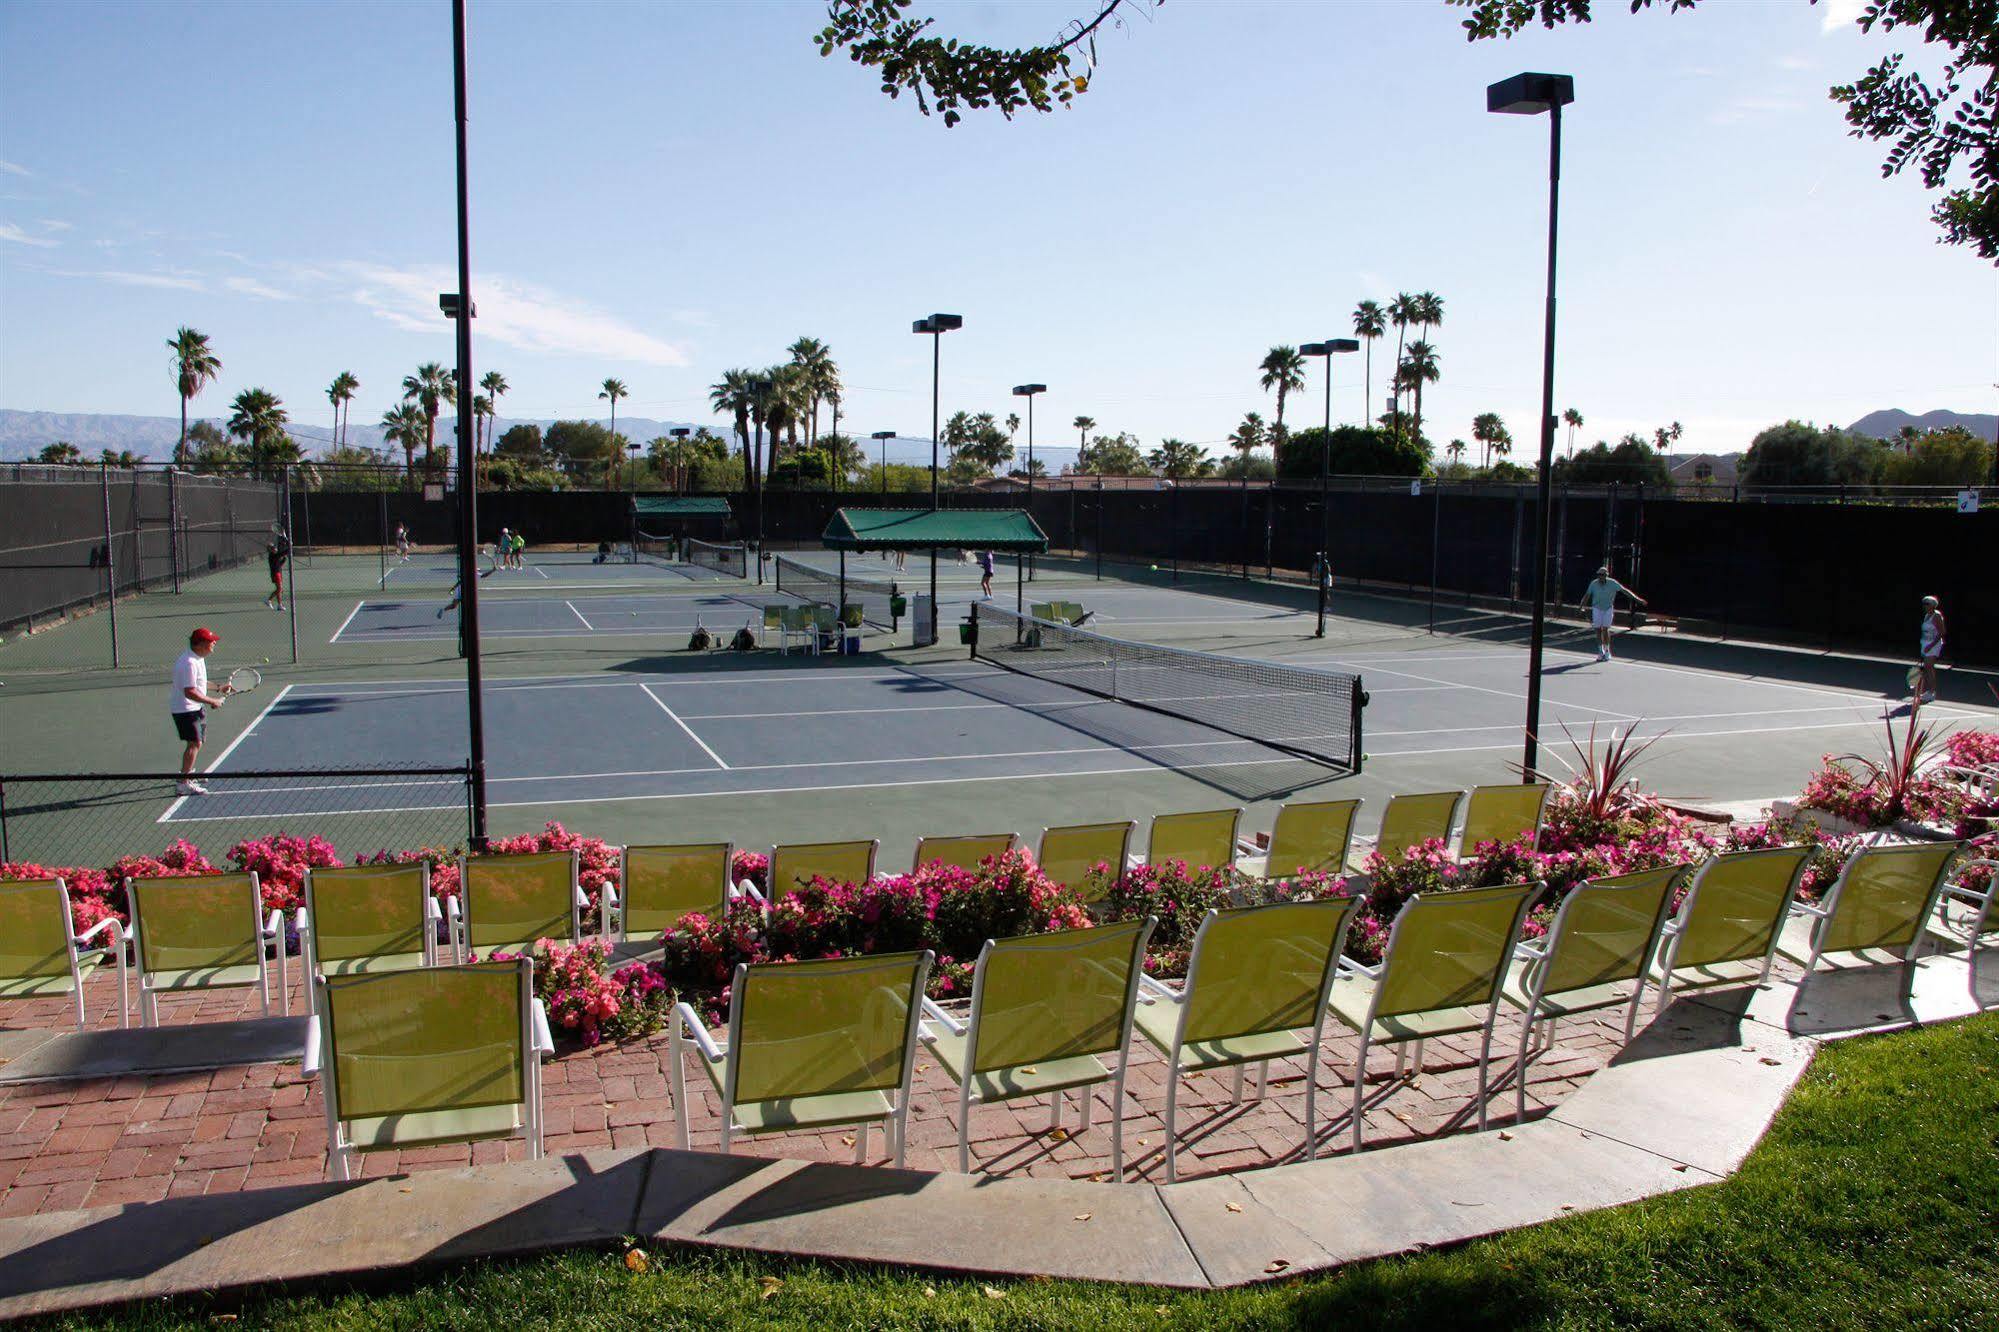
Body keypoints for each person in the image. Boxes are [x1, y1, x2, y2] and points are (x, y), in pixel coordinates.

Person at [170, 627, 233, 796]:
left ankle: (187, 773)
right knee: (194, 744)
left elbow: (200, 683)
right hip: (185, 710)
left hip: (194, 707)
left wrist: (219, 688)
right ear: (201, 644)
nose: (214, 644)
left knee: (197, 743)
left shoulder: (197, 658)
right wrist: (213, 701)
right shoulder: (189, 663)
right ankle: (183, 783)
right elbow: (189, 691)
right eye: (211, 641)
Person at [1579, 564, 1645, 662]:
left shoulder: (1613, 583)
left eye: (1602, 574)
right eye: (1599, 574)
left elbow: (1625, 591)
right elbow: (1587, 595)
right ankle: (1600, 652)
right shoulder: (1594, 583)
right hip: (1597, 608)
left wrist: (1637, 599)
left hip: (1608, 609)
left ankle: (1607, 651)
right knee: (1598, 630)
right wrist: (1581, 607)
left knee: (1605, 630)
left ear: (1606, 575)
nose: (1600, 576)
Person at [1916, 595, 1946, 704]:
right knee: (1927, 668)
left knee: (1929, 666)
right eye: (1924, 604)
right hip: (1925, 643)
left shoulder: (1937, 616)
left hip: (1934, 644)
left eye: (1927, 604)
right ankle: (1929, 691)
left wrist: (1931, 645)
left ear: (1933, 605)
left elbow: (1942, 632)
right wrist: (1924, 644)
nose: (1925, 606)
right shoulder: (1926, 616)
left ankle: (1932, 692)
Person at [264, 532, 289, 610]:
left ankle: (279, 605)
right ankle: (268, 600)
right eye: (273, 547)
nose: (275, 548)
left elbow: (279, 564)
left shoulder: (274, 556)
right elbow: (286, 551)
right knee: (279, 589)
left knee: (279, 589)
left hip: (277, 573)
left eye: (275, 547)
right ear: (271, 550)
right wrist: (289, 544)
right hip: (276, 574)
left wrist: (284, 559)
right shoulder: (273, 555)